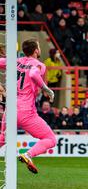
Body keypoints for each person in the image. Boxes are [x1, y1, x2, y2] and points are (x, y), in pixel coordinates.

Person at [0, 39, 56, 174]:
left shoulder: (15, 61)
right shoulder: (39, 65)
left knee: (2, 139)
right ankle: (28, 155)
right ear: (36, 50)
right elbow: (33, 73)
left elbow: (1, 62)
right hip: (26, 112)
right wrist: (46, 88)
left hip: (10, 109)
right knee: (50, 139)